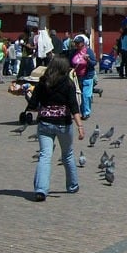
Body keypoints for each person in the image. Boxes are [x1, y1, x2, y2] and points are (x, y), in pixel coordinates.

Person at [27, 54, 85, 201]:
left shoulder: (42, 82)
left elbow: (32, 106)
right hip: (63, 123)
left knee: (45, 156)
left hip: (45, 123)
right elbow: (74, 106)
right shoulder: (68, 83)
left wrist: (42, 106)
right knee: (68, 155)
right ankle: (72, 185)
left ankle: (41, 190)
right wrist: (80, 126)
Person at [70, 34, 97, 120]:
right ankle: (81, 111)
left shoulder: (88, 51)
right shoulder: (74, 52)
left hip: (87, 76)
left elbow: (94, 63)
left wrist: (88, 60)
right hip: (77, 77)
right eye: (76, 43)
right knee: (79, 95)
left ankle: (86, 113)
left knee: (86, 95)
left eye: (78, 43)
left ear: (82, 43)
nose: (77, 45)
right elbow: (70, 62)